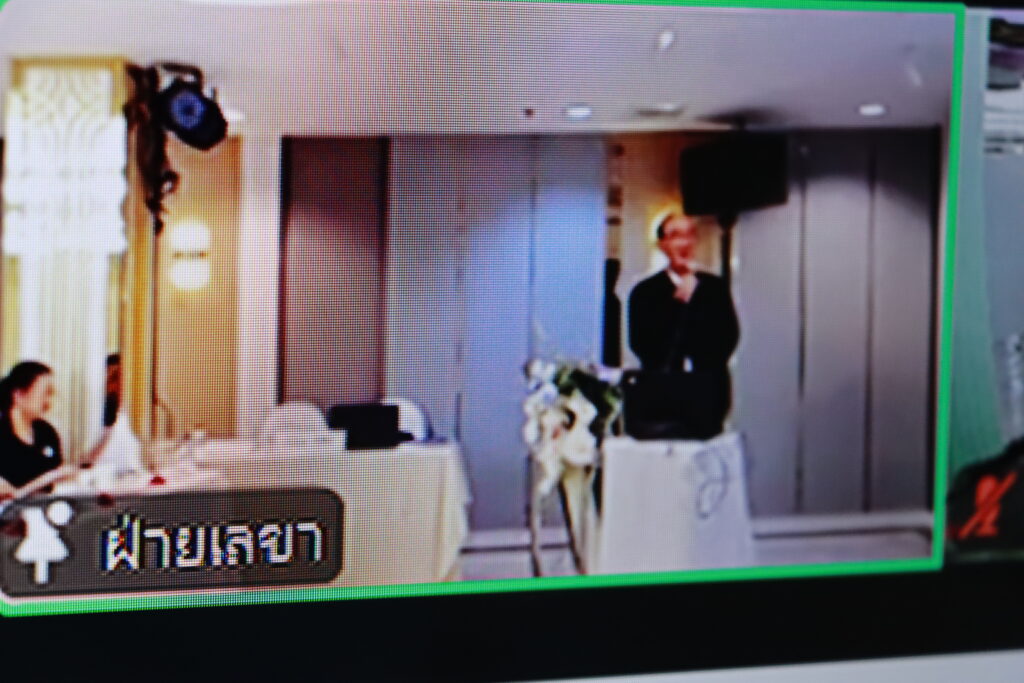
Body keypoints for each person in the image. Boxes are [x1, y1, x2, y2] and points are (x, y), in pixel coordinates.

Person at [627, 213, 740, 438]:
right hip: (662, 398)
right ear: (662, 244)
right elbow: (643, 345)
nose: (684, 243)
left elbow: (728, 338)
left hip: (708, 396)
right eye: (676, 235)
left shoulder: (715, 288)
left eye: (690, 235)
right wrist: (678, 304)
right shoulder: (644, 292)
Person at [0, 362, 75, 499]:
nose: (49, 402)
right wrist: (50, 477)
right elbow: (8, 496)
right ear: (18, 395)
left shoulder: (47, 432)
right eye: (46, 393)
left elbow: (58, 476)